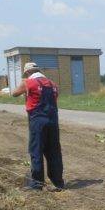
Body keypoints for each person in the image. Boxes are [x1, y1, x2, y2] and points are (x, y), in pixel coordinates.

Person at [11, 62, 65, 191]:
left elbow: (14, 93)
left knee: (36, 151)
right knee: (54, 151)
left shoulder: (28, 83)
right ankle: (58, 183)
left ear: (28, 73)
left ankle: (37, 184)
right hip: (53, 121)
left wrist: (25, 86)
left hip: (38, 121)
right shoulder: (53, 84)